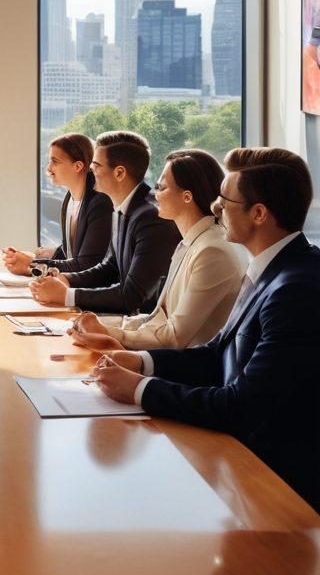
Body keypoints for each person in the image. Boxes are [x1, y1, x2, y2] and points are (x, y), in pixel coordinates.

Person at [92, 147, 320, 514]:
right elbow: (217, 354)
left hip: (275, 486)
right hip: (241, 461)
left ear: (258, 214)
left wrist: (138, 389)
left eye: (225, 201)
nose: (215, 207)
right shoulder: (273, 269)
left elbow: (242, 407)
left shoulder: (297, 288)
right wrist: (142, 362)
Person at [69, 149, 246, 350]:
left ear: (187, 197)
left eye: (161, 187)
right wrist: (100, 324)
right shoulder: (192, 242)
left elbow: (174, 337)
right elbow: (157, 318)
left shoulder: (212, 252)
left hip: (186, 364)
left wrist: (107, 332)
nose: (154, 194)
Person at [30, 130, 180, 315]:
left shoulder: (152, 219)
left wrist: (67, 296)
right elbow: (108, 268)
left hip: (140, 325)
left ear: (119, 173)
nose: (90, 170)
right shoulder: (124, 208)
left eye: (96, 166)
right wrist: (65, 279)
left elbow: (132, 297)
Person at [2, 134, 112, 276]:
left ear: (78, 166)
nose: (49, 168)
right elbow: (68, 254)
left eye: (55, 162)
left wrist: (32, 264)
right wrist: (29, 259)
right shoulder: (69, 199)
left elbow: (86, 264)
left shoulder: (100, 204)